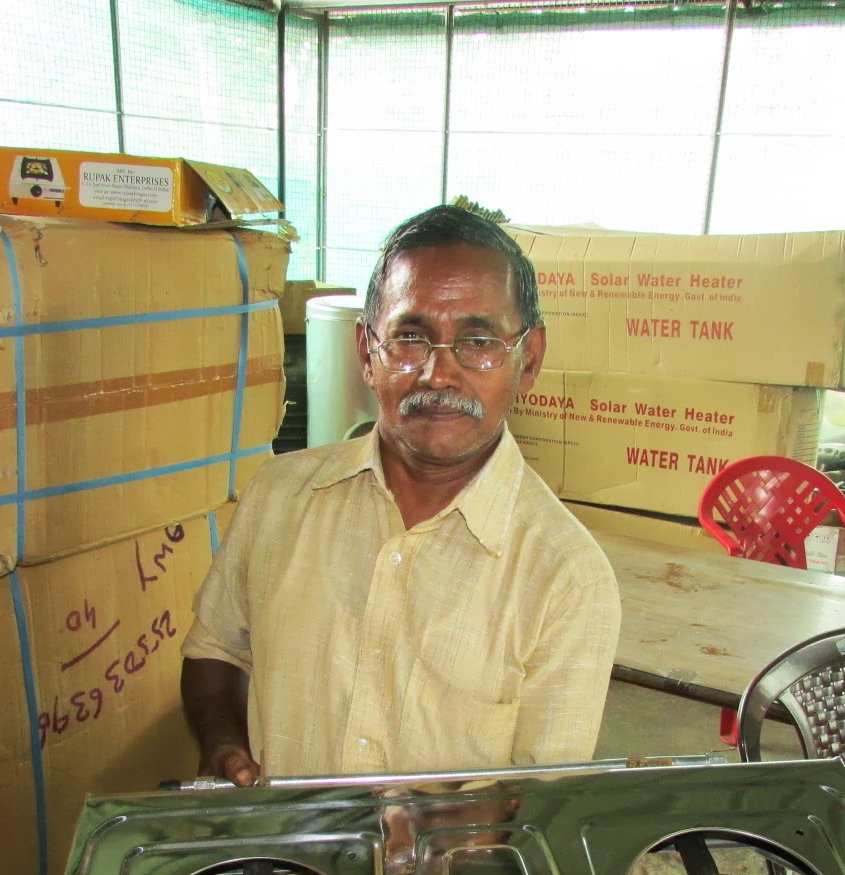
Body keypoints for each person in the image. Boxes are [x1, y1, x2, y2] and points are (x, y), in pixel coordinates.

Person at [179, 204, 620, 785]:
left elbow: (544, 796)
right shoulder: (278, 498)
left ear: (529, 359)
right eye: (411, 338)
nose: (440, 375)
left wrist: (466, 825)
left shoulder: (567, 576)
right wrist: (223, 743)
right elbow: (217, 647)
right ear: (367, 351)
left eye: (479, 340)